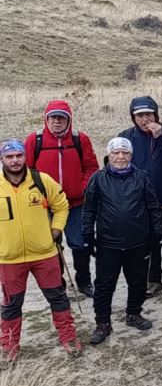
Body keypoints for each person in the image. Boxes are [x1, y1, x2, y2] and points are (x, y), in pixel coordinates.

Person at [0, 140, 81, 359]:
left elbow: (62, 205)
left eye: (18, 156)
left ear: (25, 157)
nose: (15, 160)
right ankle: (9, 347)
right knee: (11, 305)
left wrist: (56, 230)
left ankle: (69, 338)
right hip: (9, 259)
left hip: (45, 254)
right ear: (2, 159)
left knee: (58, 298)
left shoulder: (41, 180)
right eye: (9, 157)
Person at [82, 137, 162, 344]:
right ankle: (102, 323)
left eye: (125, 153)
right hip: (108, 243)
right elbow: (89, 209)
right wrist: (87, 235)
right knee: (104, 285)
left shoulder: (142, 177)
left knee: (137, 282)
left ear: (131, 155)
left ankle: (134, 314)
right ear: (108, 155)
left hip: (138, 242)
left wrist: (157, 234)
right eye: (116, 152)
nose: (120, 157)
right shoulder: (98, 179)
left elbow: (153, 207)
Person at [24, 100, 98, 297]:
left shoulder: (79, 139)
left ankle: (84, 281)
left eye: (61, 118)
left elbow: (91, 168)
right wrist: (39, 194)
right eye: (53, 117)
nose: (57, 121)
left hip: (75, 204)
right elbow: (27, 171)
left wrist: (81, 190)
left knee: (81, 243)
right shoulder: (34, 140)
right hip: (45, 206)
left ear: (69, 120)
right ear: (46, 119)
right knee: (51, 246)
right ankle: (58, 286)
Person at [118, 96, 162, 297]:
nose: (145, 119)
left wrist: (160, 137)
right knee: (148, 242)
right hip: (141, 202)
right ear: (133, 117)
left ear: (156, 114)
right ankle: (153, 279)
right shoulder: (125, 136)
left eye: (148, 114)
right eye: (139, 115)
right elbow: (119, 166)